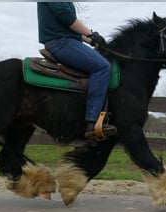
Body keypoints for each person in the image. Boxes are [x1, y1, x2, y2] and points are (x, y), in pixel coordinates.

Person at [37, 2, 117, 139]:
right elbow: (67, 18)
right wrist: (91, 34)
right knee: (102, 67)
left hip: (66, 40)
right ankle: (93, 122)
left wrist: (92, 40)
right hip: (61, 42)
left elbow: (69, 28)